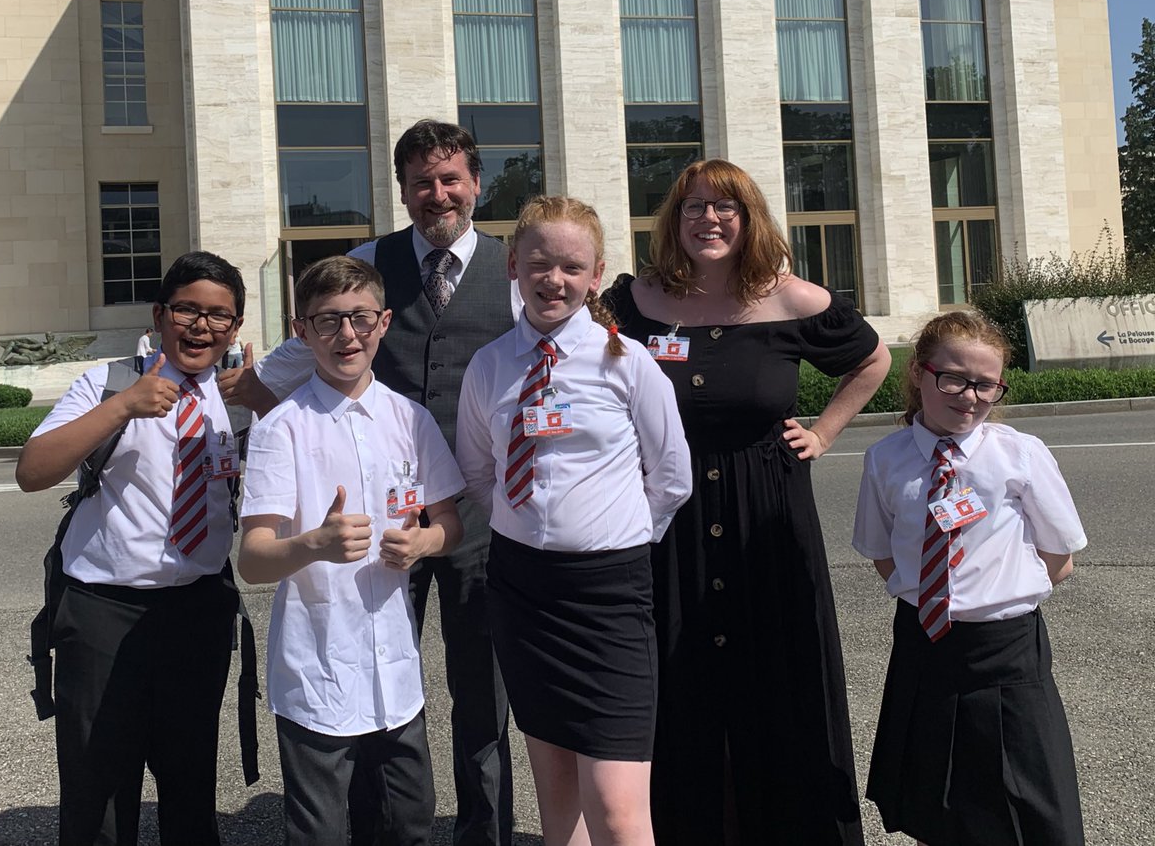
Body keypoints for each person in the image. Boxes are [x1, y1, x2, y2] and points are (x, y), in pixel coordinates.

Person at [225, 119, 517, 846]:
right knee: (369, 678)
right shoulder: (365, 263)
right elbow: (283, 372)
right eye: (421, 182)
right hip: (370, 527)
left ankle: (485, 833)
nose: (437, 194)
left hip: (471, 515)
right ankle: (364, 826)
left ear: (476, 183)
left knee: (482, 695)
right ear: (404, 190)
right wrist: (282, 425)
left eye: (450, 179)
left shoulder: (514, 273)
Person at [601, 159, 891, 846]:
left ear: (749, 217)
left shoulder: (792, 299)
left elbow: (873, 359)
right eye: (694, 207)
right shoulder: (635, 303)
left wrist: (824, 431)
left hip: (767, 510)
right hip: (669, 518)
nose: (709, 219)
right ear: (674, 220)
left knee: (777, 680)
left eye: (725, 207)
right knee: (681, 675)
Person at [457, 195, 692, 846]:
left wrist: (614, 537)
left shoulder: (627, 361)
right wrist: (530, 526)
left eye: (571, 265)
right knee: (559, 808)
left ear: (597, 274)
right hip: (523, 590)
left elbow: (672, 474)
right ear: (514, 265)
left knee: (617, 810)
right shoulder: (491, 366)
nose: (553, 278)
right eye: (540, 262)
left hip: (608, 594)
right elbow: (480, 472)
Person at [16, 251, 247, 846]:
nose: (201, 327)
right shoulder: (108, 381)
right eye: (187, 310)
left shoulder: (239, 398)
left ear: (236, 327)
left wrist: (264, 398)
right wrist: (123, 405)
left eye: (218, 316)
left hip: (198, 607)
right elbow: (32, 470)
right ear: (159, 315)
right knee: (98, 785)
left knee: (191, 777)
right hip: (103, 613)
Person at [239, 256, 465, 846]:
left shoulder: (409, 419)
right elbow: (254, 558)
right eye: (328, 321)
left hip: (395, 670)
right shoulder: (281, 429)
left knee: (409, 826)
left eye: (361, 318)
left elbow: (449, 523)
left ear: (385, 322)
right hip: (318, 666)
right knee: (318, 834)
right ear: (301, 329)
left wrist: (423, 541)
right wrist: (313, 543)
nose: (347, 335)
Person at [853, 310, 1086, 846]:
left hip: (1005, 651)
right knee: (939, 800)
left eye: (986, 384)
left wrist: (994, 599)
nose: (970, 397)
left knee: (1030, 805)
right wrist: (930, 600)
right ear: (920, 373)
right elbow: (882, 553)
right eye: (954, 379)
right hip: (924, 645)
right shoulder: (885, 459)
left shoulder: (1019, 455)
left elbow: (1060, 556)